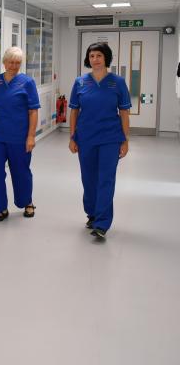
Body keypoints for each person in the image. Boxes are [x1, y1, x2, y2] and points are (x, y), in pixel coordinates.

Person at [68, 42, 131, 240]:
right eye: (92, 56)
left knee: (106, 179)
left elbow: (124, 113)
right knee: (88, 179)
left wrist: (125, 140)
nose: (95, 59)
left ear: (106, 58)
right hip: (86, 137)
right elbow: (74, 111)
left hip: (110, 138)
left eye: (99, 56)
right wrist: (72, 137)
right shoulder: (80, 82)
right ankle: (92, 213)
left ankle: (102, 223)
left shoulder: (117, 82)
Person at [0, 47, 40, 221]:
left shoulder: (27, 82)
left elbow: (33, 111)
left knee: (21, 171)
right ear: (4, 62)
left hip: (19, 137)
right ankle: (0, 208)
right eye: (11, 62)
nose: (14, 66)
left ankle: (27, 202)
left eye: (17, 63)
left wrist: (31, 136)